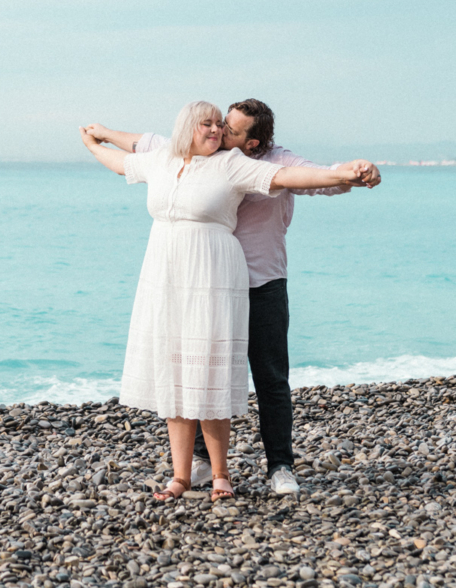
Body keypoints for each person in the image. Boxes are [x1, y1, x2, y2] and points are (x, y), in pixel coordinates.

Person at [86, 99, 380, 496]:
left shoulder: (248, 161)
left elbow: (303, 177)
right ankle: (198, 466)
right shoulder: (183, 154)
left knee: (268, 378)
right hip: (188, 282)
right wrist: (99, 135)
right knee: (190, 368)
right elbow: (140, 147)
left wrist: (351, 172)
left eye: (229, 129)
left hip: (258, 281)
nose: (220, 131)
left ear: (254, 142)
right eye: (216, 124)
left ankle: (279, 466)